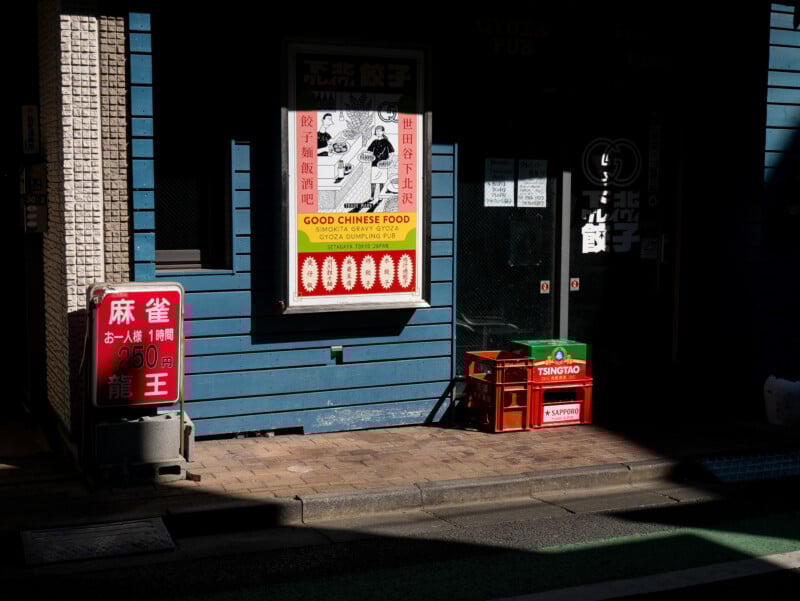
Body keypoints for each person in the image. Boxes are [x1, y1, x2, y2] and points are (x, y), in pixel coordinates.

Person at [366, 125, 395, 202]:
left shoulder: (386, 142)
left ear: (383, 132)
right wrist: (368, 155)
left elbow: (392, 152)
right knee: (373, 181)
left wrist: (389, 160)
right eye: (377, 131)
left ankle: (381, 196)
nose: (378, 132)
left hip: (383, 164)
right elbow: (369, 151)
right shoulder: (374, 142)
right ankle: (372, 197)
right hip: (375, 163)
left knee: (382, 181)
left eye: (379, 131)